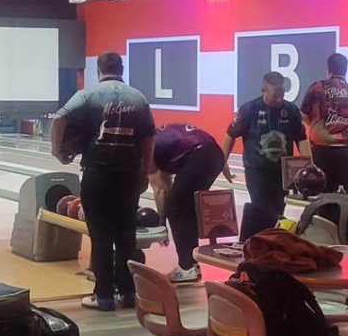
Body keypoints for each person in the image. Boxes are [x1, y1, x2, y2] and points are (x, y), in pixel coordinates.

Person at [53, 51, 154, 311]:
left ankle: (105, 296)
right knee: (126, 236)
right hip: (129, 175)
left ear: (98, 70)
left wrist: (58, 151)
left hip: (98, 174)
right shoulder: (138, 97)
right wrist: (145, 171)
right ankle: (129, 293)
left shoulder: (88, 95)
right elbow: (148, 138)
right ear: (122, 68)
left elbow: (58, 118)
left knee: (101, 236)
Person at [223, 72, 309, 240]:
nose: (279, 99)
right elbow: (230, 134)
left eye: (282, 95)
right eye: (275, 95)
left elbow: (302, 139)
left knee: (278, 210)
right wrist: (222, 161)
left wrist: (309, 165)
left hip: (282, 173)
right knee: (260, 209)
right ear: (264, 90)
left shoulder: (290, 110)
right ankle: (257, 243)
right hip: (257, 171)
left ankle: (271, 243)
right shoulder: (249, 109)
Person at [149, 123, 229, 283]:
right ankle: (192, 263)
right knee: (187, 208)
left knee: (176, 208)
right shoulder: (161, 141)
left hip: (199, 156)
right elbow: (167, 182)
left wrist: (161, 222)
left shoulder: (147, 149)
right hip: (215, 154)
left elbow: (160, 188)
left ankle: (186, 268)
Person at [300, 53, 348, 193]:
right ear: (345, 70)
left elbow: (303, 115)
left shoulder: (317, 88)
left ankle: (323, 215)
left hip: (322, 151)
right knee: (341, 194)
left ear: (328, 70)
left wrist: (316, 124)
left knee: (321, 192)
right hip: (346, 152)